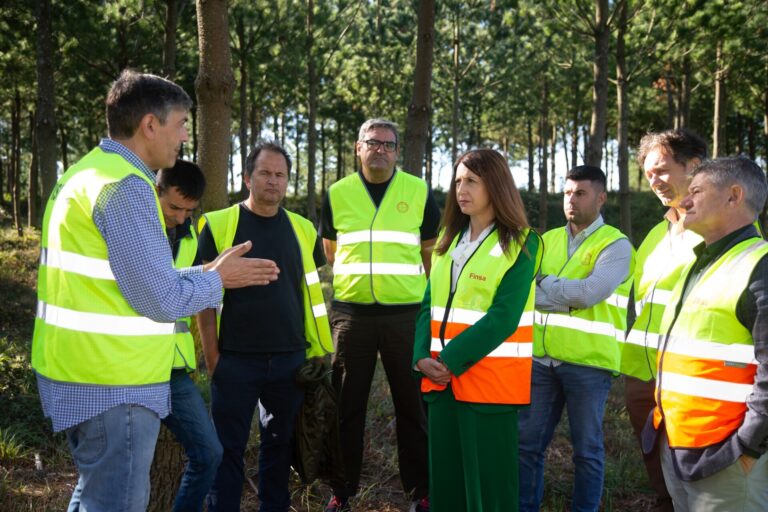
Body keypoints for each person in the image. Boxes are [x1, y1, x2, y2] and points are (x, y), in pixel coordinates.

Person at [31, 69, 279, 512]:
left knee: (94, 496)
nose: (185, 136)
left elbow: (137, 281)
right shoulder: (127, 188)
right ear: (150, 125)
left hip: (82, 371)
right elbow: (160, 301)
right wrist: (218, 279)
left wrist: (204, 271)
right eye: (181, 123)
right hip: (113, 384)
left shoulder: (85, 174)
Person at [197, 140, 333, 512]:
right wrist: (213, 358)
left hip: (290, 361)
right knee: (227, 451)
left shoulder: (303, 229)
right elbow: (202, 297)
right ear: (247, 178)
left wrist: (317, 352)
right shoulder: (220, 224)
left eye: (280, 175)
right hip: (235, 361)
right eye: (265, 173)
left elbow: (310, 295)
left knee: (279, 449)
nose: (273, 181)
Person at [320, 118, 439, 512]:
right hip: (352, 315)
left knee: (412, 407)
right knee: (346, 405)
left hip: (406, 316)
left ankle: (419, 492)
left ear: (397, 151)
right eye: (373, 143)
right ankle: (342, 490)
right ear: (358, 148)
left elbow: (430, 253)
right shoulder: (337, 194)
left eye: (389, 144)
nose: (381, 150)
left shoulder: (419, 191)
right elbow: (332, 250)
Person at [413, 149, 540, 511]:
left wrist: (448, 360)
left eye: (471, 180)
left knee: (490, 491)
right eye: (457, 181)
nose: (460, 189)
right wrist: (421, 356)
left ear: (495, 184)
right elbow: (427, 305)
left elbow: (504, 316)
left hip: (489, 387)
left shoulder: (522, 242)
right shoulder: (447, 242)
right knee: (447, 486)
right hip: (440, 383)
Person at [644, 157, 768, 511]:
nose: (684, 202)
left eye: (696, 191)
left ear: (733, 196)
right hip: (679, 446)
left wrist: (747, 447)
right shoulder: (701, 263)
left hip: (728, 456)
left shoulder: (759, 266)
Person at [518, 165, 634, 512]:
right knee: (526, 445)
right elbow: (522, 290)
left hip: (589, 363)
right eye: (567, 192)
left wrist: (545, 286)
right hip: (541, 359)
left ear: (601, 198)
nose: (571, 200)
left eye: (580, 193)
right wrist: (561, 295)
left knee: (587, 450)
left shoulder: (617, 244)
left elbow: (590, 293)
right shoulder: (545, 240)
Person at [621, 129, 706, 512]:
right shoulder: (656, 233)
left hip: (686, 374)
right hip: (641, 372)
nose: (653, 179)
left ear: (694, 165)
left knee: (693, 473)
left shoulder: (719, 227)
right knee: (658, 472)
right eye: (648, 172)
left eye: (662, 170)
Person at [156, 160, 223, 511]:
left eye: (189, 210)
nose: (181, 217)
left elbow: (193, 293)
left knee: (209, 454)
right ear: (157, 190)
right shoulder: (136, 226)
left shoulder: (192, 233)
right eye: (174, 207)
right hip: (130, 367)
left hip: (174, 371)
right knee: (114, 473)